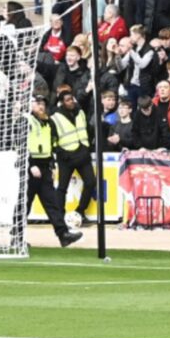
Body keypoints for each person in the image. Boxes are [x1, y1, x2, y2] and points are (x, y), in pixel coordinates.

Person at [26, 95, 80, 246]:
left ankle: (63, 234)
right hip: (30, 167)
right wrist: (30, 165)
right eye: (37, 103)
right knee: (24, 204)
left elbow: (52, 145)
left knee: (52, 203)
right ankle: (16, 238)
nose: (41, 106)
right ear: (30, 105)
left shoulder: (48, 122)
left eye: (43, 103)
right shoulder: (26, 120)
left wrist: (52, 165)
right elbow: (19, 144)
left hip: (44, 166)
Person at [48, 85, 94, 231]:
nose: (71, 102)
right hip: (66, 157)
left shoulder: (80, 112)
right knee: (62, 187)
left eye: (72, 99)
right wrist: (59, 151)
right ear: (61, 102)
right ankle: (59, 216)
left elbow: (87, 130)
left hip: (82, 154)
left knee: (91, 182)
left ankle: (80, 211)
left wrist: (87, 148)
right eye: (67, 100)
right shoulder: (55, 116)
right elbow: (52, 136)